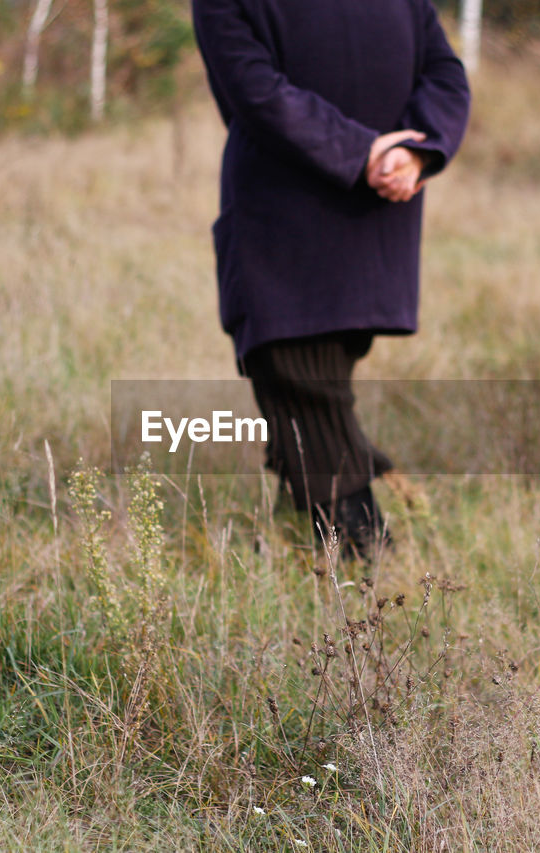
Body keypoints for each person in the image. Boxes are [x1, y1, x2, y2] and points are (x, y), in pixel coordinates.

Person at [192, 0, 470, 559]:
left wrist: (412, 154)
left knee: (302, 378)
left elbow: (441, 71)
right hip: (330, 211)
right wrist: (383, 154)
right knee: (303, 381)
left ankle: (369, 564)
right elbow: (255, 89)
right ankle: (307, 550)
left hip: (312, 218)